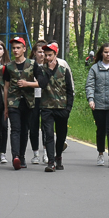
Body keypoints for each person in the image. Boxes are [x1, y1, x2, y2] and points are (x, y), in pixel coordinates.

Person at [35, 43, 74, 172]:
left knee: (61, 135)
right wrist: (49, 71)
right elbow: (42, 83)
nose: (47, 58)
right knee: (49, 134)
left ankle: (58, 157)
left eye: (50, 55)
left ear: (55, 55)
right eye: (45, 55)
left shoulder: (64, 70)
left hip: (62, 107)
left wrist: (68, 108)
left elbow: (70, 90)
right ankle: (50, 162)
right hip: (46, 107)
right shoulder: (41, 69)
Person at [3, 36, 38, 170]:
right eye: (14, 48)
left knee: (24, 130)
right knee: (15, 129)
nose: (16, 50)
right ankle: (15, 156)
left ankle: (22, 156)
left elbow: (41, 82)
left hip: (28, 102)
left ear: (24, 49)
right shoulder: (9, 67)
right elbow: (6, 87)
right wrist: (6, 107)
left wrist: (27, 84)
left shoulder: (32, 64)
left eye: (18, 48)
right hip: (13, 102)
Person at [29, 40, 47, 164]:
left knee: (46, 127)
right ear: (34, 53)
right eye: (39, 52)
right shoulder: (30, 66)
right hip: (33, 99)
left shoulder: (49, 66)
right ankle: (35, 153)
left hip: (46, 99)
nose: (41, 54)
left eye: (44, 52)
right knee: (33, 127)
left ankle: (46, 153)